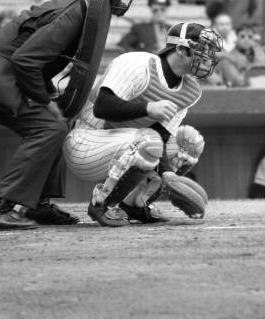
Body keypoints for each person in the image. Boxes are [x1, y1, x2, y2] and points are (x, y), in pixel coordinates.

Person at [0, 0, 137, 230]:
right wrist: (45, 99)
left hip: (6, 73)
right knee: (49, 127)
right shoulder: (75, 10)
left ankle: (37, 204)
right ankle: (5, 206)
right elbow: (25, 60)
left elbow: (31, 58)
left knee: (58, 121)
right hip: (1, 77)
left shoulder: (81, 5)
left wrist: (48, 96)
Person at [63, 21, 221, 226]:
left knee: (190, 142)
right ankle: (103, 203)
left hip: (130, 145)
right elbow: (101, 107)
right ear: (181, 49)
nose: (209, 56)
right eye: (203, 48)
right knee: (149, 141)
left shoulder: (191, 90)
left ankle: (135, 203)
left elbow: (162, 135)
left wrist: (167, 173)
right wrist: (148, 108)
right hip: (87, 140)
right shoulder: (138, 64)